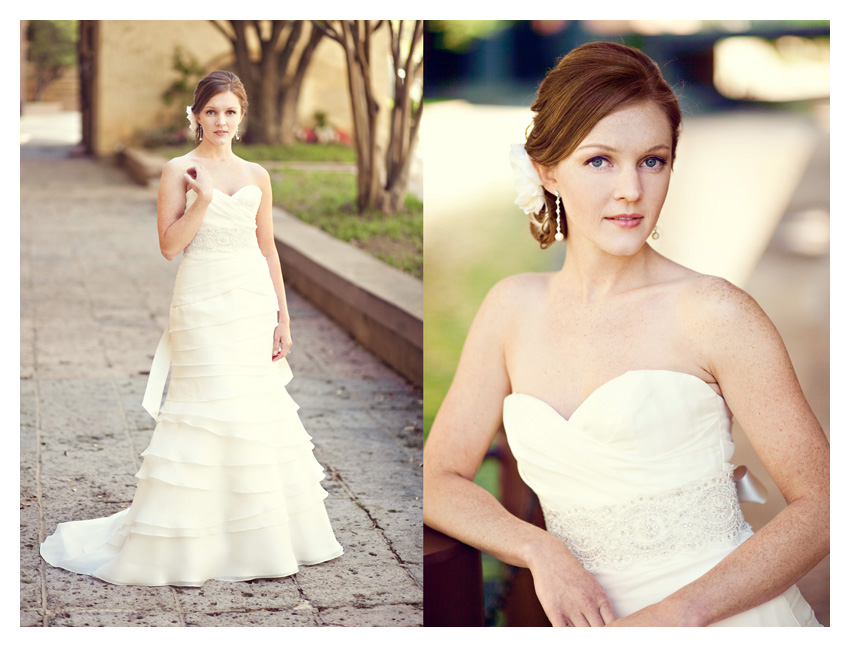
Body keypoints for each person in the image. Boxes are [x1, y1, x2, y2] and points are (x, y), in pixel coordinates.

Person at [423, 42, 828, 627]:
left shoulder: (716, 311)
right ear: (548, 171)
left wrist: (678, 615)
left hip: (721, 620)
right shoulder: (510, 309)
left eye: (652, 160)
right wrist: (539, 550)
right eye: (599, 161)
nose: (631, 191)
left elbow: (823, 505)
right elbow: (438, 478)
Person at [40, 71, 343, 586]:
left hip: (250, 300)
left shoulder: (257, 175)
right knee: (204, 409)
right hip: (202, 300)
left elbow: (268, 248)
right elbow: (169, 245)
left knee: (251, 408)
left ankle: (257, 537)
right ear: (196, 115)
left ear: (241, 116)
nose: (221, 121)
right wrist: (201, 201)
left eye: (230, 112)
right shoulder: (177, 170)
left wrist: (282, 317)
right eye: (212, 112)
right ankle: (189, 536)